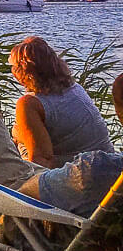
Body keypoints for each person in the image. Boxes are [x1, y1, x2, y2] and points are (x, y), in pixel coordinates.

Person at [0, 81, 123, 240]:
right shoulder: (111, 172)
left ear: (119, 114)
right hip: (71, 211)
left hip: (22, 221)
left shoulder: (96, 169)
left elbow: (25, 192)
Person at [9, 37, 112, 167]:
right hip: (108, 166)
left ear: (23, 72)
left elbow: (41, 162)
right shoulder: (74, 89)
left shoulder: (30, 104)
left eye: (13, 66)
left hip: (77, 176)